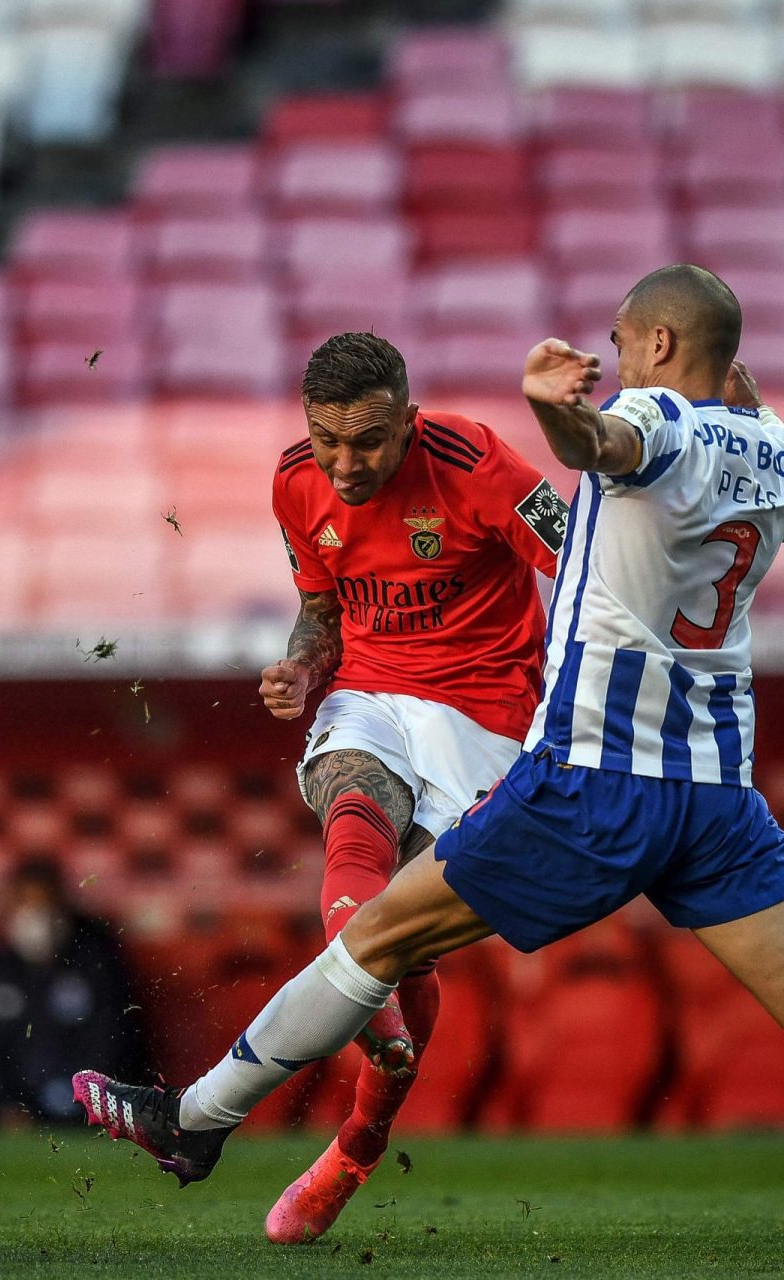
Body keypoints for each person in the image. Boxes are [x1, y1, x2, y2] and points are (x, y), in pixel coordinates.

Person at [72, 266, 784, 1271]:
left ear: (663, 343)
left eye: (625, 339)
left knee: (377, 936)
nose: (616, 352)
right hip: (719, 797)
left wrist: (551, 403)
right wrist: (779, 436)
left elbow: (602, 442)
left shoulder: (659, 418)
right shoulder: (779, 449)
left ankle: (196, 1119)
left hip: (591, 780)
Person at [256, 332, 564, 1241]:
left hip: (489, 719)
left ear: (409, 419)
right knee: (353, 811)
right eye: (328, 440)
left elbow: (593, 570)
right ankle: (375, 1017)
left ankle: (355, 1145)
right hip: (370, 694)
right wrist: (303, 669)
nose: (346, 465)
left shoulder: (481, 466)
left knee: (404, 933)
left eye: (370, 442)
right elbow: (321, 610)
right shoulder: (292, 483)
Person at [0, 859, 143, 1124]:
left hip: (80, 1110)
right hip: (13, 1114)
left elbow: (109, 1038)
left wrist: (82, 1099)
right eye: (27, 904)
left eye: (44, 904)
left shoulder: (94, 957)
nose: (36, 915)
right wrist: (0, 1105)